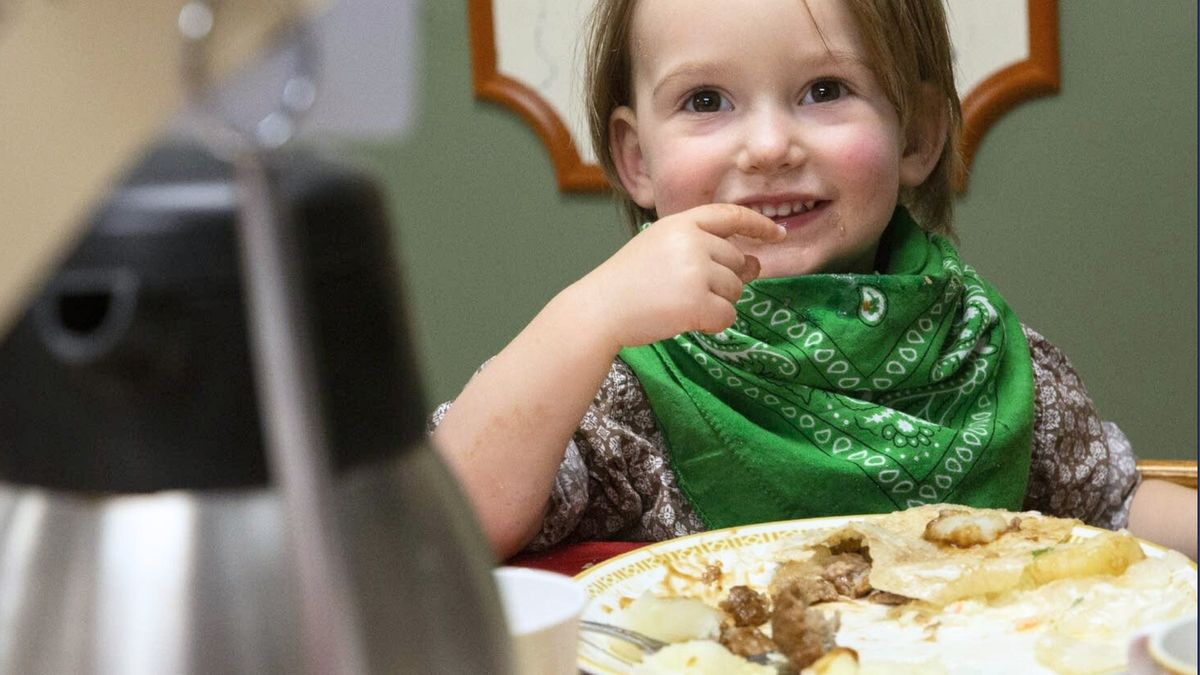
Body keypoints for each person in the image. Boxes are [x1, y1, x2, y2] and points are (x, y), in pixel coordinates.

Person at [432, 0, 1197, 561]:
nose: (768, 146)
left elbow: (1115, 506)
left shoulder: (987, 354)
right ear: (636, 159)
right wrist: (586, 316)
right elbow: (448, 522)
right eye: (706, 100)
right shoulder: (615, 385)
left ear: (921, 134)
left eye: (825, 89)